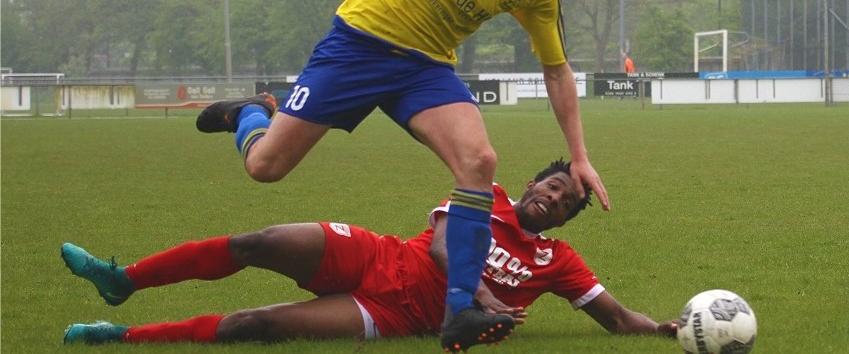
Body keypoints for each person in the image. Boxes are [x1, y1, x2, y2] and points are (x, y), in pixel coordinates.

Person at [195, 0, 610, 351]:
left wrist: (579, 157)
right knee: (265, 167)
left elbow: (556, 70)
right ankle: (251, 113)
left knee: (479, 161)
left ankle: (459, 312)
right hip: (360, 44)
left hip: (425, 68)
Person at [62, 160, 676, 348]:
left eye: (565, 201)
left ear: (567, 218)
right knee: (261, 242)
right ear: (529, 185)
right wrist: (484, 297)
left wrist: (667, 330)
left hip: (393, 316)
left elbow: (617, 319)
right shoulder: (483, 195)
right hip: (379, 258)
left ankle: (121, 335)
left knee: (262, 323)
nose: (553, 198)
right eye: (550, 186)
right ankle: (124, 280)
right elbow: (440, 245)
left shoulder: (558, 262)